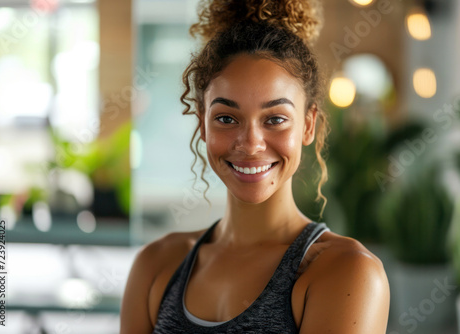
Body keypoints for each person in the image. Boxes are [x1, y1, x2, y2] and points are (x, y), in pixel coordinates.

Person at [120, 0, 390, 333]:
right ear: (202, 126)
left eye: (275, 119)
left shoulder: (346, 272)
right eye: (226, 118)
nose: (250, 143)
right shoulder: (156, 265)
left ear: (308, 126)